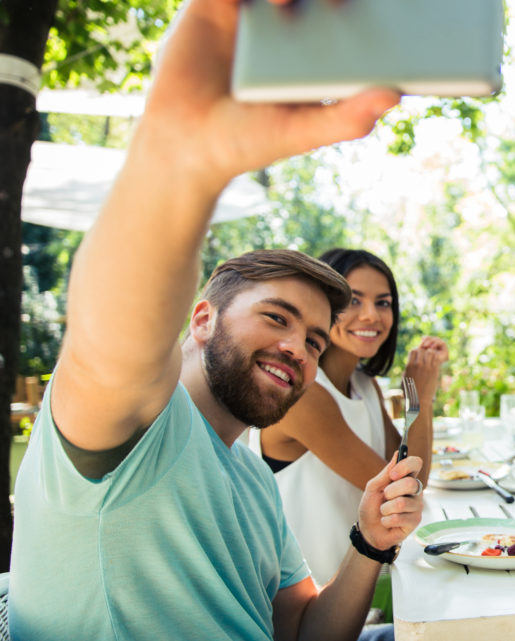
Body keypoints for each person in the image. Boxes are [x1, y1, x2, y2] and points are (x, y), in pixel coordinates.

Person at [10, 1, 422, 639]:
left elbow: (303, 631)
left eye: (314, 339)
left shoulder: (254, 479)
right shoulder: (134, 425)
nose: (298, 348)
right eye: (277, 318)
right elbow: (112, 332)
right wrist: (181, 164)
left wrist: (368, 543)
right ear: (201, 319)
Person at [251, 248, 449, 586]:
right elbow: (401, 490)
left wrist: (419, 395)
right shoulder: (303, 393)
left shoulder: (363, 383)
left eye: (383, 303)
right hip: (309, 602)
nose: (371, 315)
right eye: (354, 301)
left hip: (362, 589)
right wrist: (421, 397)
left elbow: (413, 473)